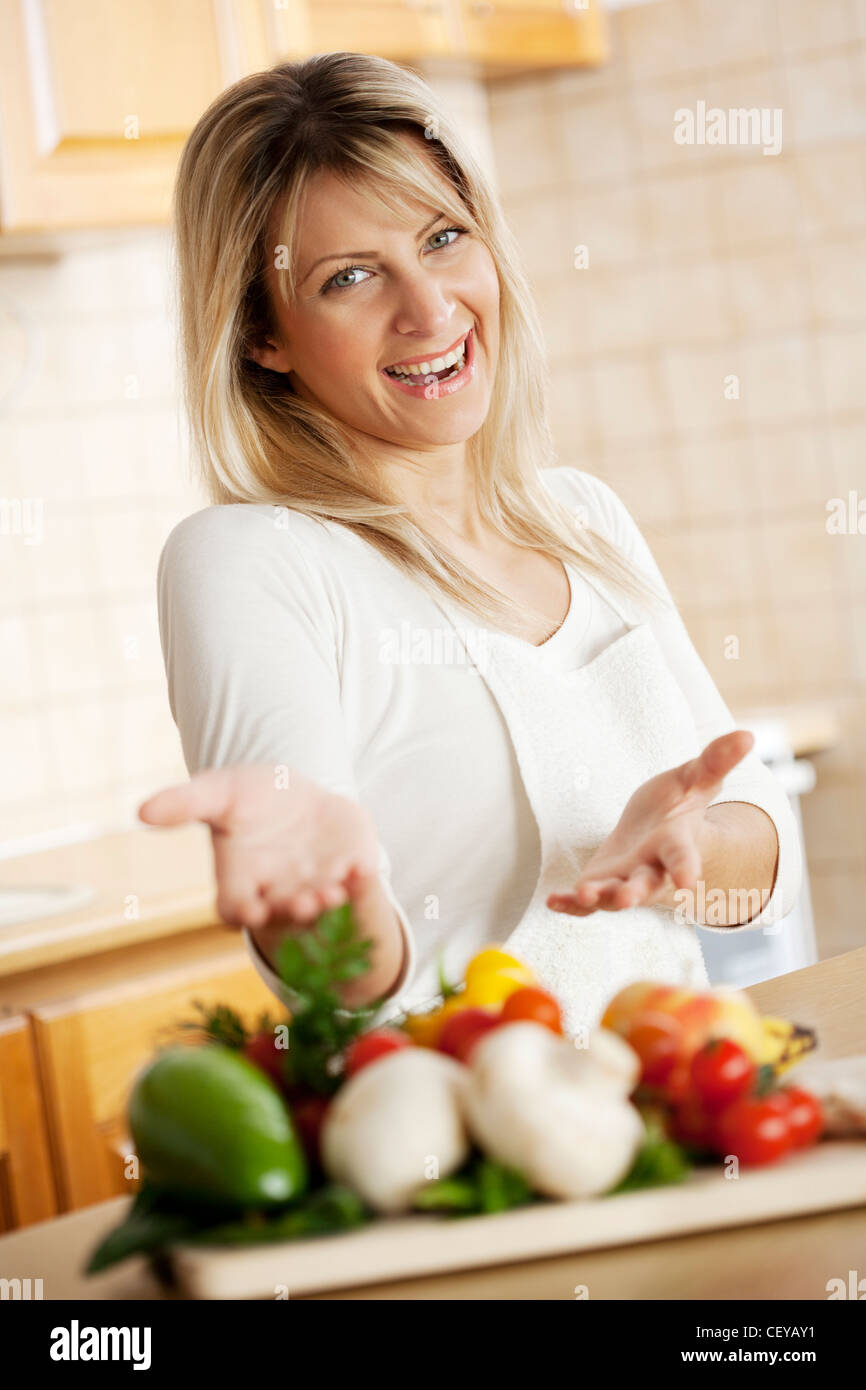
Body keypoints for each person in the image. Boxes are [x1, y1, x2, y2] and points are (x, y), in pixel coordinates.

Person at [140, 53, 801, 1035]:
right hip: (460, 1157)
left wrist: (690, 848)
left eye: (443, 238)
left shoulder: (580, 516)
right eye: (349, 277)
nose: (430, 309)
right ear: (257, 335)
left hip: (672, 1121)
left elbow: (759, 881)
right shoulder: (252, 560)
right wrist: (331, 904)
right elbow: (336, 979)